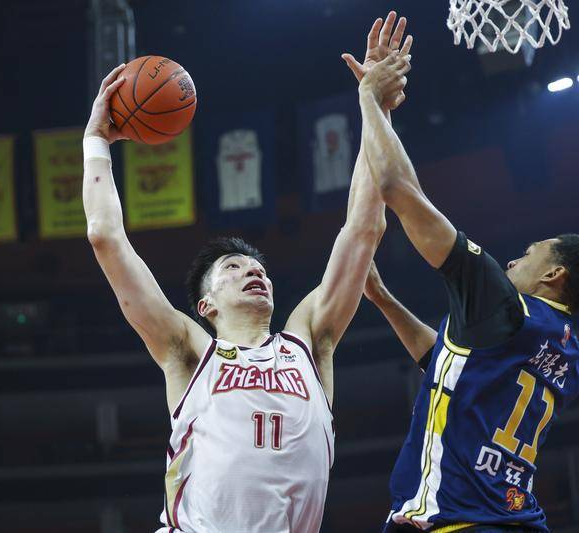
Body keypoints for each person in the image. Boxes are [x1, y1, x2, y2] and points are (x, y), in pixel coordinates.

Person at [80, 19, 411, 533]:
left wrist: (376, 107)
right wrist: (96, 139)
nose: (252, 271)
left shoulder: (309, 339)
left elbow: (363, 229)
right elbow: (105, 236)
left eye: (257, 268)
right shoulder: (188, 350)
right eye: (232, 268)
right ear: (206, 305)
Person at [344, 14, 579, 532]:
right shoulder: (567, 352)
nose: (512, 261)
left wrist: (370, 100)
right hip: (511, 519)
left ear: (554, 274)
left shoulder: (502, 306)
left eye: (529, 254)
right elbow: (450, 363)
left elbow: (397, 187)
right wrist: (384, 299)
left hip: (463, 521)